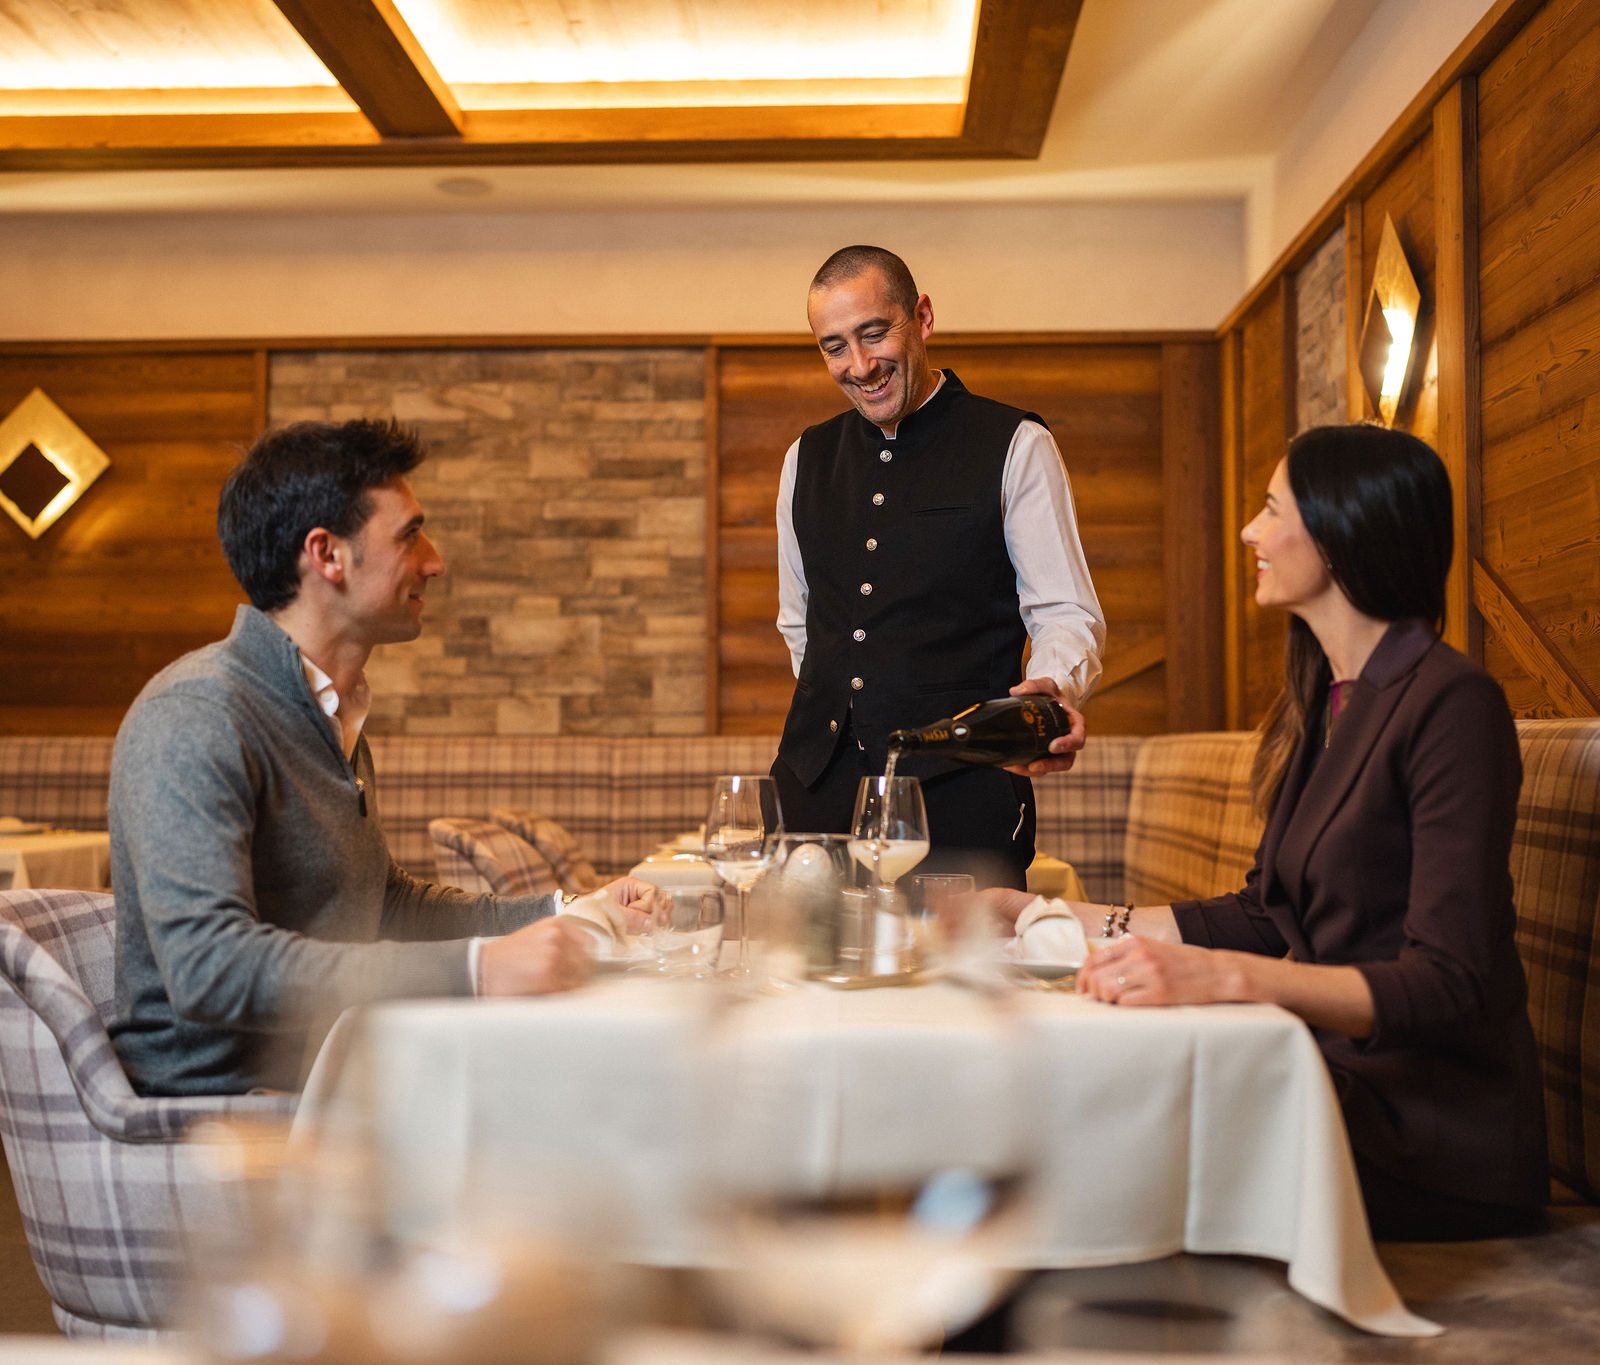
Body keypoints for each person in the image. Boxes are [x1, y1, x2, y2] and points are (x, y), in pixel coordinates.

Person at [996, 423, 1547, 1239]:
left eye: (1270, 508)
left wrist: (1222, 978)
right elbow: (1266, 913)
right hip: (1323, 1078)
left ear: (1342, 530)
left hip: (1427, 1130)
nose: (1250, 531)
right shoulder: (1327, 700)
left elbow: (1447, 982)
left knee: (1077, 1146)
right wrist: (1042, 916)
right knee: (1041, 1116)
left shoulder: (1452, 705)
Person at [109, 418, 657, 1097]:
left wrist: (571, 909)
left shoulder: (326, 711)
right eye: (409, 535)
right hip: (227, 1116)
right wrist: (478, 970)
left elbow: (382, 905)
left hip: (336, 1071)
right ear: (327, 555)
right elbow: (208, 968)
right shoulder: (196, 714)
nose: (436, 560)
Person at [773, 245, 1105, 887]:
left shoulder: (1016, 446)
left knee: (959, 986)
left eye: (875, 334)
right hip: (812, 796)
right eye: (834, 346)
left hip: (961, 798)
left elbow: (1065, 612)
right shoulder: (803, 459)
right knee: (799, 981)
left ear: (921, 317)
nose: (860, 366)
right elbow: (800, 624)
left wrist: (1052, 688)